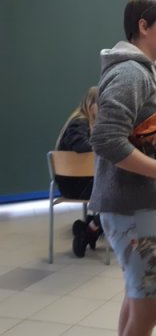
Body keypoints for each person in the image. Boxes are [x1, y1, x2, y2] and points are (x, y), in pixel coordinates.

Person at [89, 0, 156, 336]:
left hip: (142, 203)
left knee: (138, 297)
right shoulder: (131, 73)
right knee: (149, 306)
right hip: (132, 206)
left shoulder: (147, 72)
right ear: (143, 27)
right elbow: (106, 140)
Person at [55, 85, 103, 258]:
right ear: (91, 105)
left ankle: (91, 226)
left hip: (80, 184)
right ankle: (91, 229)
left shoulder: (84, 122)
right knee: (120, 193)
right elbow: (81, 146)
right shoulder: (79, 122)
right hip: (76, 186)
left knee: (121, 191)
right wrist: (105, 146)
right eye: (102, 106)